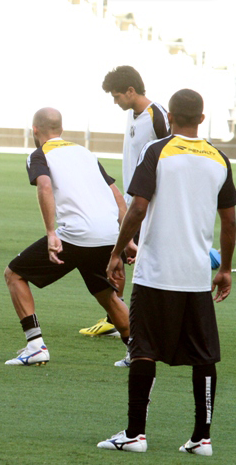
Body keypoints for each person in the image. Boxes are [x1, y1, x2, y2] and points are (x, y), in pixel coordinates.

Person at [98, 89, 236, 455]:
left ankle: (135, 434)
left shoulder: (157, 151)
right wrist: (224, 268)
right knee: (204, 355)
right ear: (202, 119)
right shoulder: (219, 158)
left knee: (143, 349)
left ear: (170, 116)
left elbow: (137, 208)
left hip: (156, 272)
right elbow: (229, 221)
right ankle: (202, 438)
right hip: (196, 276)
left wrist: (116, 251)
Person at [3, 108, 131, 366]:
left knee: (14, 274)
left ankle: (35, 346)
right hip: (108, 234)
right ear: (61, 129)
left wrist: (51, 233)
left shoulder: (39, 155)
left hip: (77, 235)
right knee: (106, 295)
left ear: (34, 130)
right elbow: (117, 195)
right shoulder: (85, 153)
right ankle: (138, 352)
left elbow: (44, 186)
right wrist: (126, 239)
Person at [80, 66, 169, 337]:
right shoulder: (132, 114)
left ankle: (148, 323)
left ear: (131, 91)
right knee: (120, 255)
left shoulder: (158, 115)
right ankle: (116, 318)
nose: (115, 102)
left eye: (116, 96)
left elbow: (172, 155)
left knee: (145, 261)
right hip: (132, 203)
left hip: (152, 204)